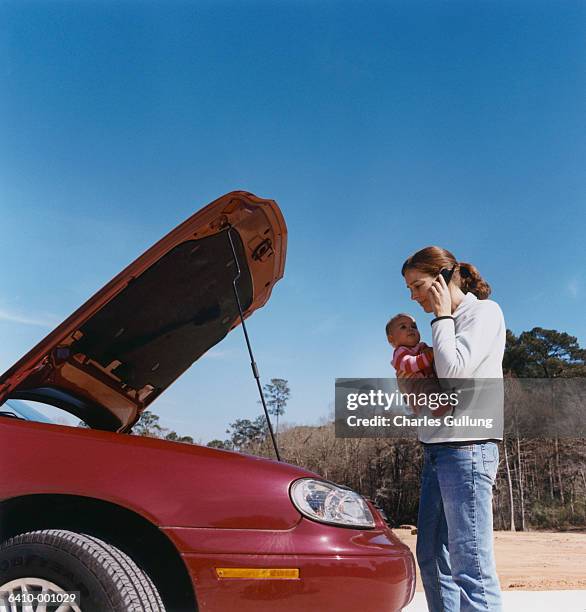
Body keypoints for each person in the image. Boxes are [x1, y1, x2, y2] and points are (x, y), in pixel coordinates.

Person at [401, 245, 505, 612]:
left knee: (470, 564)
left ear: (443, 279)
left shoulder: (483, 313)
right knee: (430, 555)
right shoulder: (440, 329)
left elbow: (454, 373)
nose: (413, 297)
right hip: (437, 451)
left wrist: (443, 317)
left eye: (417, 286)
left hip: (468, 449)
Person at [386, 313, 435, 379]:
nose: (410, 329)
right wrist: (429, 355)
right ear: (391, 339)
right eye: (403, 327)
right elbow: (408, 365)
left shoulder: (422, 346)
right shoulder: (399, 352)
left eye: (414, 326)